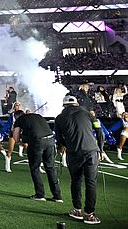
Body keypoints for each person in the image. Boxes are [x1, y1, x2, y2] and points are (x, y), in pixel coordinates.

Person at [55, 95, 104, 225]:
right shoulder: (88, 114)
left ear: (64, 105)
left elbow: (58, 139)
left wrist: (69, 145)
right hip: (91, 152)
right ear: (76, 104)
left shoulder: (59, 118)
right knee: (91, 182)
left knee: (76, 181)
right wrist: (101, 149)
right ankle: (89, 214)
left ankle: (77, 210)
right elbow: (100, 132)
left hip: (74, 153)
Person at [12, 110, 62, 202]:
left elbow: (16, 138)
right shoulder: (38, 116)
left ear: (16, 117)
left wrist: (22, 136)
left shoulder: (19, 120)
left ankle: (40, 194)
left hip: (37, 142)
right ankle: (57, 196)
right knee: (50, 168)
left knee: (35, 168)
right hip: (50, 140)